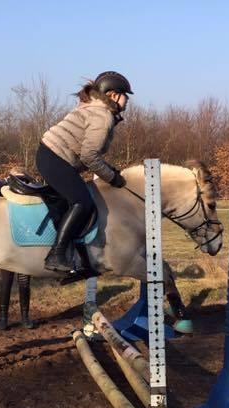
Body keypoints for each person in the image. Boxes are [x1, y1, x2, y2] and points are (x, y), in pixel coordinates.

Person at [38, 71, 132, 281]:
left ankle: (76, 258)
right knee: (83, 202)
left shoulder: (94, 108)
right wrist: (113, 178)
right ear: (114, 94)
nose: (128, 100)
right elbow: (90, 156)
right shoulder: (102, 115)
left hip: (51, 156)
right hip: (54, 158)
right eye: (126, 95)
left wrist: (109, 169)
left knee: (76, 201)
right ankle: (56, 255)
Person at [0, 167, 37, 330]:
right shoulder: (4, 191)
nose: (21, 182)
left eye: (23, 179)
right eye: (18, 179)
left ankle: (25, 317)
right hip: (7, 241)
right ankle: (3, 317)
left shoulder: (30, 192)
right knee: (6, 280)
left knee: (24, 281)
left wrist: (29, 183)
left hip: (26, 241)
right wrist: (7, 181)